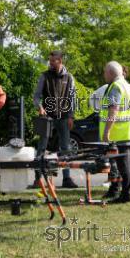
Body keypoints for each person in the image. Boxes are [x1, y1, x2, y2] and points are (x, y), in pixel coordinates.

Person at [33, 50, 79, 188]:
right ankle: (38, 179)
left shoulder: (69, 77)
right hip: (47, 117)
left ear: (60, 61)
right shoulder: (44, 76)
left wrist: (71, 116)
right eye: (50, 60)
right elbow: (36, 96)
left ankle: (67, 179)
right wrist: (40, 107)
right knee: (41, 147)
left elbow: (73, 98)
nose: (50, 63)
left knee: (65, 148)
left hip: (64, 117)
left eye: (53, 61)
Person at [100, 61, 130, 203]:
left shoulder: (115, 87)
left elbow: (114, 109)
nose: (104, 75)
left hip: (120, 132)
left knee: (123, 166)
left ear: (111, 73)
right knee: (128, 165)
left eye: (105, 72)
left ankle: (126, 195)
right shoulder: (129, 86)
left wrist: (107, 131)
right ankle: (126, 192)